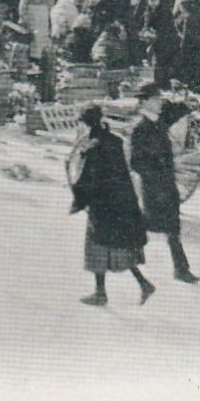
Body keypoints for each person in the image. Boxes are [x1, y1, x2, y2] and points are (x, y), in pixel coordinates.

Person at [69, 105, 155, 306]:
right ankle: (142, 284)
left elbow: (89, 178)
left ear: (85, 124)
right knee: (120, 247)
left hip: (104, 206)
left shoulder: (94, 147)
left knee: (97, 247)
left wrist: (79, 198)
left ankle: (102, 293)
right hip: (123, 203)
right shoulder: (114, 141)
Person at [128, 83, 200, 284]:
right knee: (151, 224)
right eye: (156, 99)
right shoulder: (140, 129)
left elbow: (175, 112)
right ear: (145, 102)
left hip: (167, 186)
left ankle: (181, 269)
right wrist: (157, 180)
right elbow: (136, 163)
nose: (160, 102)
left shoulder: (159, 122)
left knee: (172, 229)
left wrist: (189, 104)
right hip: (154, 188)